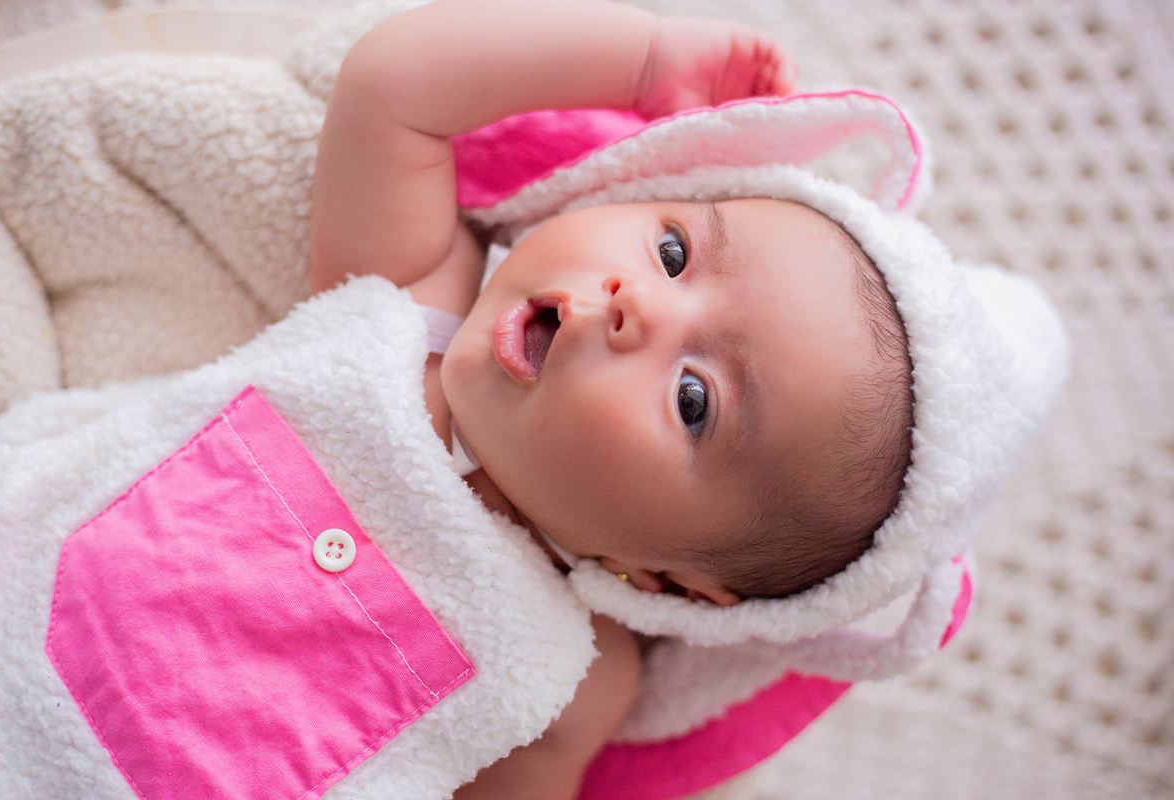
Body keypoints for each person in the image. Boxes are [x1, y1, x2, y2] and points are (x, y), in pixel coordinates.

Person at [309, 1, 914, 797]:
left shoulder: (568, 680)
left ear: (666, 580)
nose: (640, 306)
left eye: (694, 400)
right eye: (673, 253)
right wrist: (645, 62)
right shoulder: (403, 316)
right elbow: (392, 84)